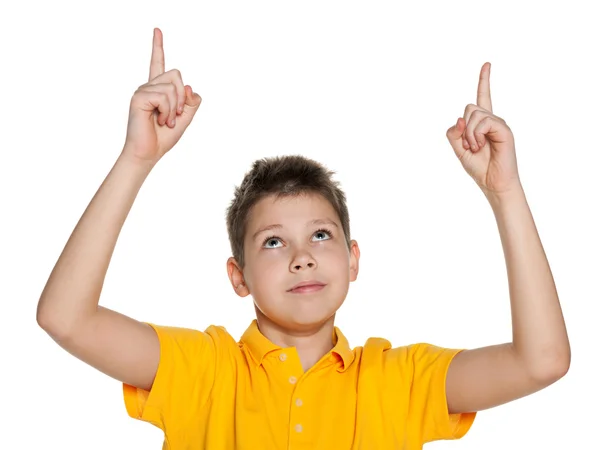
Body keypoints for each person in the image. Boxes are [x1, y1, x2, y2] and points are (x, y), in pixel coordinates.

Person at [36, 28, 571, 449]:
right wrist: (136, 159)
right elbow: (65, 317)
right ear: (237, 277)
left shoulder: (399, 382)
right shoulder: (202, 370)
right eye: (273, 242)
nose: (301, 258)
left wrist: (505, 193)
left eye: (320, 235)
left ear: (353, 258)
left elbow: (542, 361)